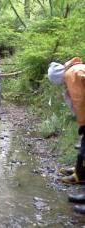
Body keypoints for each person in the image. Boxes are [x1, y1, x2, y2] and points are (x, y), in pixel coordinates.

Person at [47, 57, 85, 213]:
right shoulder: (75, 70)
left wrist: (83, 123)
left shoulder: (72, 74)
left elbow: (80, 100)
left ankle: (80, 177)